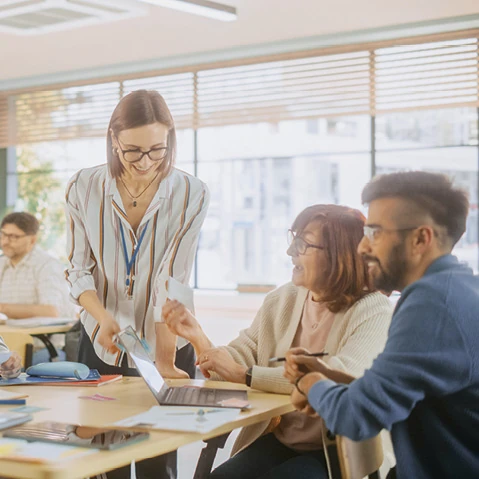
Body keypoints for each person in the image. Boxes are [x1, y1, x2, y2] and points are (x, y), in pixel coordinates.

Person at [162, 204, 394, 479]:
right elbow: (241, 355)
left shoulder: (374, 309)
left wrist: (245, 375)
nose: (290, 252)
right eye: (293, 239)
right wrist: (198, 336)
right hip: (282, 440)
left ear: (338, 254)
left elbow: (341, 376)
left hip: (337, 451)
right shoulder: (283, 299)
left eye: (303, 244)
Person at [289, 171, 479, 479]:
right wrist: (327, 375)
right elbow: (399, 389)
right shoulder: (456, 287)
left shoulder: (432, 305)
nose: (362, 248)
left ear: (420, 239)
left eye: (375, 233)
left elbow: (355, 417)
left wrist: (312, 386)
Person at [65, 89, 209, 479]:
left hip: (164, 344)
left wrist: (163, 360)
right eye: (132, 150)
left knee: (156, 464)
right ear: (114, 139)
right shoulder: (84, 186)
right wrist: (102, 317)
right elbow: (77, 269)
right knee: (104, 459)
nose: (145, 162)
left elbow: (173, 280)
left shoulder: (191, 193)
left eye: (157, 150)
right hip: (101, 344)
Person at [0, 212, 74, 319]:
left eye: (13, 237)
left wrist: (3, 308)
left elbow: (51, 311)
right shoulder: (2, 263)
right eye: (3, 235)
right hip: (10, 333)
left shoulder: (47, 265)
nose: (5, 242)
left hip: (42, 335)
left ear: (32, 240)